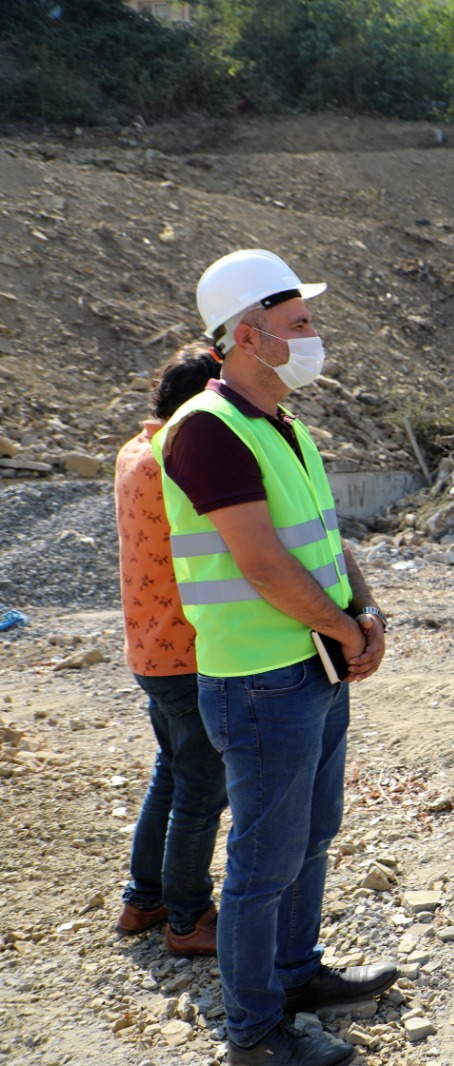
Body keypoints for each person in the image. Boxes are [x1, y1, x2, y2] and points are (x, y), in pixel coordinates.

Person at [156, 249, 397, 1066]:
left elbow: (324, 540)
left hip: (313, 667)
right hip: (262, 682)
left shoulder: (282, 425)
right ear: (249, 337)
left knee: (311, 838)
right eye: (300, 325)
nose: (314, 337)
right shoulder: (206, 432)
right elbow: (261, 564)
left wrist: (363, 615)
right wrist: (343, 627)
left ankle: (296, 977)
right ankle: (256, 1033)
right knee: (262, 865)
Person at [114, 342, 229, 957]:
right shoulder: (179, 455)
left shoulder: (136, 448)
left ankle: (145, 898)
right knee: (201, 789)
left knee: (174, 773)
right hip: (186, 650)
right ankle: (187, 920)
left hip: (150, 645)